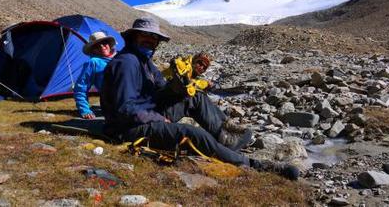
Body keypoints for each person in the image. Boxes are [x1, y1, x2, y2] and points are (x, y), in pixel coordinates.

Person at [100, 18, 299, 180]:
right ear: (134, 36)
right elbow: (125, 108)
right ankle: (253, 164)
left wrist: (177, 88)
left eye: (155, 38)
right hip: (127, 128)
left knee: (194, 97)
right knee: (190, 133)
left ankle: (225, 137)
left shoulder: (145, 62)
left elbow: (159, 92)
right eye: (146, 35)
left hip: (147, 112)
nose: (151, 40)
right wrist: (160, 119)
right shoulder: (126, 63)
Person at [74, 31, 116, 119]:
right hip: (111, 104)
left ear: (109, 44)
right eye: (97, 46)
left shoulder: (121, 58)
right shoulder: (93, 63)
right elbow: (81, 87)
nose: (102, 46)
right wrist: (85, 110)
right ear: (93, 50)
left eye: (104, 43)